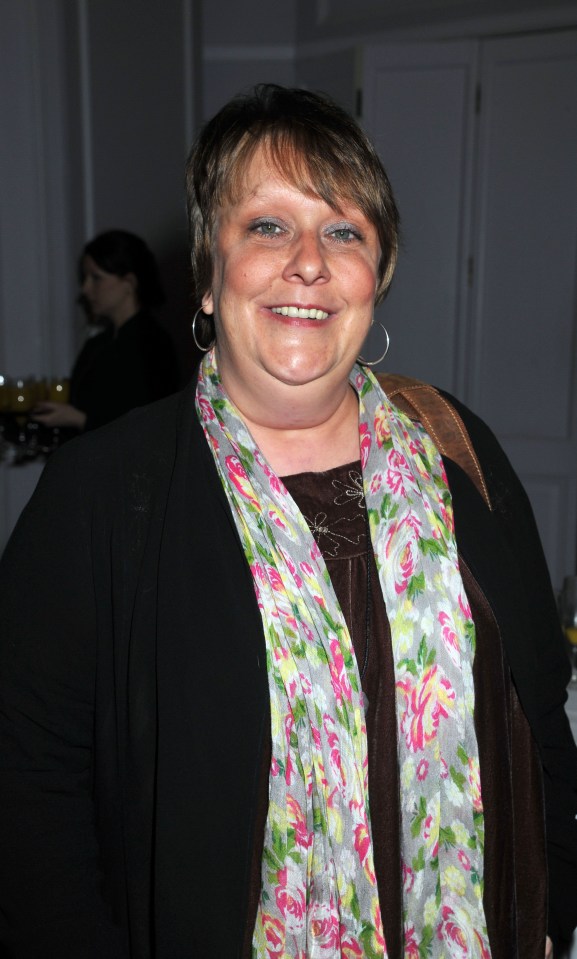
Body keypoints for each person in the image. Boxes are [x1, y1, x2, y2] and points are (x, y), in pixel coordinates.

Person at [0, 84, 576, 959]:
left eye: (343, 231)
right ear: (205, 275)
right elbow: (28, 799)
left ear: (375, 279)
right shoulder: (101, 495)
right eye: (267, 226)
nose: (307, 261)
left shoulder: (459, 450)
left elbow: (544, 721)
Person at [32, 229, 179, 434]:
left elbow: (150, 422)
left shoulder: (152, 344)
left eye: (96, 278)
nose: (85, 288)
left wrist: (80, 420)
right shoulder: (99, 343)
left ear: (129, 282)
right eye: (85, 278)